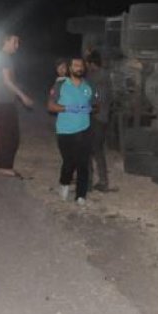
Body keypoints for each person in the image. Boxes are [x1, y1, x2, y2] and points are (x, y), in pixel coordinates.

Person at [47, 57, 95, 205]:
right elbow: (50, 106)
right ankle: (64, 183)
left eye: (81, 65)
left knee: (83, 163)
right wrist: (67, 108)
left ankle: (81, 195)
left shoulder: (88, 87)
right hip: (65, 130)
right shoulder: (61, 85)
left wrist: (92, 108)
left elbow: (96, 104)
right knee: (69, 162)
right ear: (69, 68)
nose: (79, 67)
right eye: (75, 65)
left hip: (84, 129)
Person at [0, 33, 33, 178]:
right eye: (15, 42)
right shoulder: (4, 58)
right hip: (5, 101)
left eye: (18, 42)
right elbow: (7, 81)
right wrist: (23, 96)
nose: (17, 45)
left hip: (0, 100)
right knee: (11, 136)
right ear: (6, 41)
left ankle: (5, 165)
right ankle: (5, 166)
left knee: (5, 133)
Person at [85, 50, 115, 193]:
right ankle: (100, 181)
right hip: (102, 116)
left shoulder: (96, 77)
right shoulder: (104, 76)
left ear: (91, 64)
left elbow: (97, 98)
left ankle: (91, 181)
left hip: (96, 117)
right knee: (97, 149)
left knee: (91, 149)